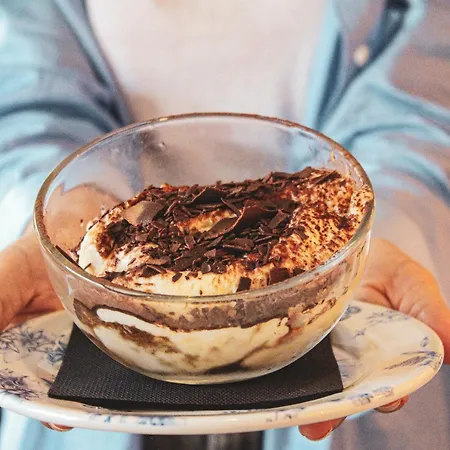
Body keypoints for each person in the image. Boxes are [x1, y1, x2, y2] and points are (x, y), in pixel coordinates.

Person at [0, 1, 449, 449]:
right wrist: (68, 219)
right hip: (112, 324)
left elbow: (419, 109)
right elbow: (34, 104)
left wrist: (380, 234)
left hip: (320, 299)